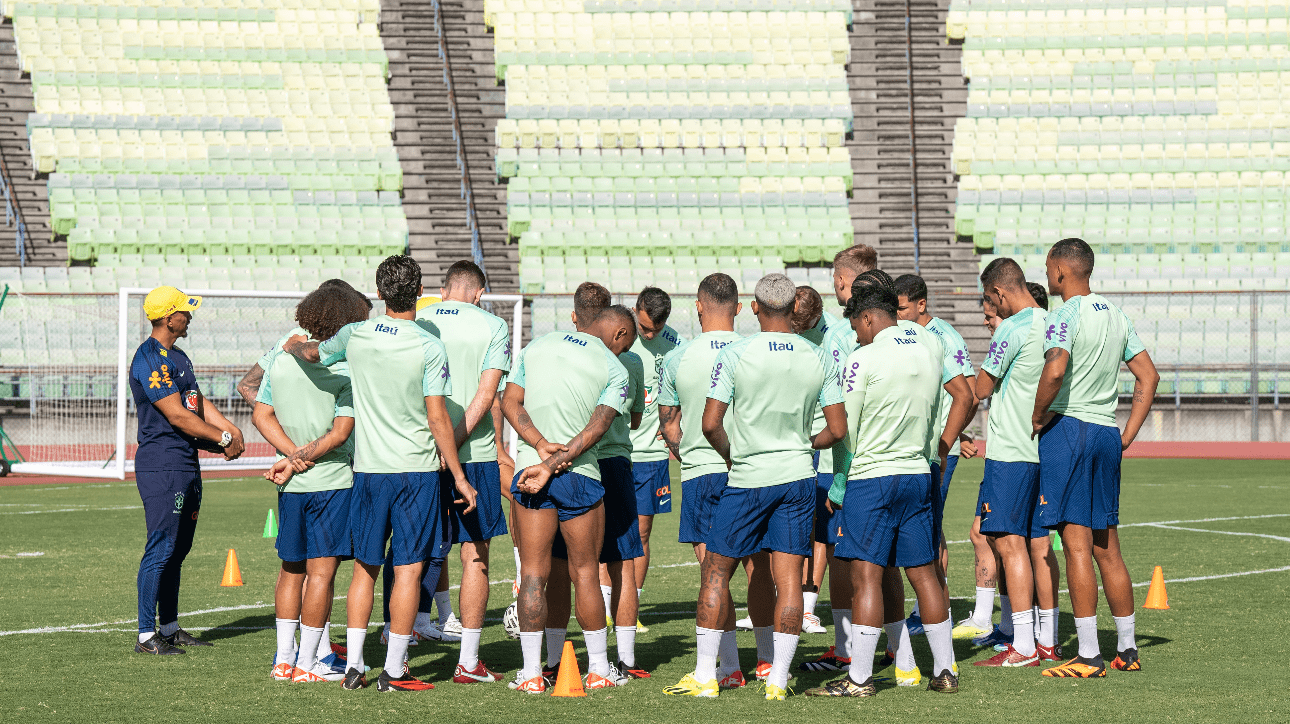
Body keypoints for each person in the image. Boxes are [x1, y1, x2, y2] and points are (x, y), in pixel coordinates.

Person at [281, 255, 478, 692]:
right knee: (407, 569)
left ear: (378, 291)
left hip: (367, 471)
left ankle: (354, 667)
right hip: (416, 472)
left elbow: (313, 353)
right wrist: (460, 476)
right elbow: (438, 418)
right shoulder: (429, 345)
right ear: (420, 292)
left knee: (365, 569)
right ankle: (393, 670)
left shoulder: (354, 334)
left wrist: (293, 346)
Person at [664, 274, 846, 701]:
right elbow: (837, 429)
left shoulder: (737, 353)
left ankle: (708, 676)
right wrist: (806, 443)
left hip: (747, 477)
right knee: (788, 580)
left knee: (715, 571)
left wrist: (732, 455)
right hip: (798, 477)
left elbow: (710, 424)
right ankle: (778, 681)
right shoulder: (818, 356)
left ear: (756, 308)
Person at [805, 286, 958, 698]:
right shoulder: (930, 344)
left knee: (866, 576)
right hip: (918, 472)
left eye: (856, 326)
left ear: (869, 317)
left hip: (873, 476)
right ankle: (945, 672)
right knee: (924, 572)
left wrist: (807, 441)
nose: (855, 336)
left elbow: (844, 430)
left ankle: (859, 679)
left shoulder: (864, 358)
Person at [1032, 238, 1159, 678]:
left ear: (1062, 271)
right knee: (1109, 547)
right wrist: (1127, 433)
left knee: (1076, 546)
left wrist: (1037, 414)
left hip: (1069, 429)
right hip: (1105, 431)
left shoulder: (1063, 314)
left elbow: (1055, 368)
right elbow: (1149, 374)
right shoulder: (1117, 313)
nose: (1048, 276)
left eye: (1049, 268)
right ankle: (1127, 649)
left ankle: (1088, 654)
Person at [501, 301, 637, 694]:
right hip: (579, 474)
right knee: (584, 573)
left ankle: (530, 675)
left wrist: (542, 448)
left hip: (530, 469)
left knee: (533, 573)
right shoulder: (614, 366)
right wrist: (561, 458)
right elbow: (599, 426)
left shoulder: (535, 346)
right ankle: (598, 668)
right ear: (619, 334)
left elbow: (510, 403)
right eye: (624, 346)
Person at [254, 286, 368, 681]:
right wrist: (303, 457)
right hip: (332, 479)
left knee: (290, 570)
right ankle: (310, 663)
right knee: (321, 574)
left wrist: (290, 456)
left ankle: (284, 659)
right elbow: (340, 433)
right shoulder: (344, 368)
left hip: (292, 483)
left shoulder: (283, 362)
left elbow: (260, 415)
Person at [409, 260, 513, 683]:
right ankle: (468, 662)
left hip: (419, 453)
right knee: (475, 555)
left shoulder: (417, 318)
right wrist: (454, 443)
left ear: (443, 287)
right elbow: (488, 395)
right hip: (475, 455)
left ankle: (399, 649)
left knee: (412, 552)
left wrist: (436, 444)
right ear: (479, 293)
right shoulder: (493, 325)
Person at [131, 287, 245, 656]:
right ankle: (146, 636)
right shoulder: (148, 358)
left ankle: (169, 626)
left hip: (185, 461)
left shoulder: (179, 356)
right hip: (162, 463)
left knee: (178, 549)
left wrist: (229, 427)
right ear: (168, 317)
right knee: (161, 547)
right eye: (183, 311)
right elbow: (178, 415)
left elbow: (196, 403)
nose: (189, 316)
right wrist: (224, 436)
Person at [545, 302, 648, 682]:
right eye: (626, 343)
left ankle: (554, 660)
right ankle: (623, 660)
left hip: (565, 462)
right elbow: (633, 417)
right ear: (619, 331)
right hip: (610, 462)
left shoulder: (554, 351)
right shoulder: (627, 364)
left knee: (560, 563)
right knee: (621, 563)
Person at [656, 273, 748, 689]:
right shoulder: (752, 351)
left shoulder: (677, 356)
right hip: (752, 470)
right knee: (760, 570)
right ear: (740, 308)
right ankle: (765, 662)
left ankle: (723, 668)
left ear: (697, 306)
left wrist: (683, 447)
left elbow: (668, 424)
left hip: (700, 472)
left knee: (714, 572)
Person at [968, 258, 1056, 667]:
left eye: (989, 300)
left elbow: (981, 388)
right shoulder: (1054, 323)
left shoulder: (1012, 329)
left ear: (999, 294)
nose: (990, 309)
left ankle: (1021, 645)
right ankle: (1047, 639)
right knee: (1041, 545)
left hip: (1010, 453)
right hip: (1045, 449)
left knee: (1008, 543)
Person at [892, 274, 975, 635]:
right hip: (921, 450)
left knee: (927, 530)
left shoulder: (944, 337)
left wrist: (948, 439)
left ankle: (933, 612)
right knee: (928, 529)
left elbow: (968, 391)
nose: (897, 315)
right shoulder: (909, 337)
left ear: (921, 305)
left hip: (936, 453)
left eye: (902, 308)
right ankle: (929, 609)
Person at [627, 286, 684, 626]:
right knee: (610, 531)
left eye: (656, 330)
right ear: (636, 309)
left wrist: (676, 428)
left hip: (652, 456)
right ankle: (607, 604)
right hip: (616, 452)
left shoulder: (676, 344)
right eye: (645, 327)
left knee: (642, 533)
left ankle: (630, 608)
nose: (649, 334)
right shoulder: (620, 337)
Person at [235, 279, 371, 406]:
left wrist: (276, 425)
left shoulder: (290, 338)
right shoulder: (292, 339)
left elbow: (246, 386)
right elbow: (246, 386)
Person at [791, 285, 837, 635]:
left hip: (826, 442)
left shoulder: (836, 337)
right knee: (795, 521)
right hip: (797, 439)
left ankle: (807, 607)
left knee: (820, 527)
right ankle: (785, 601)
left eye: (801, 326)